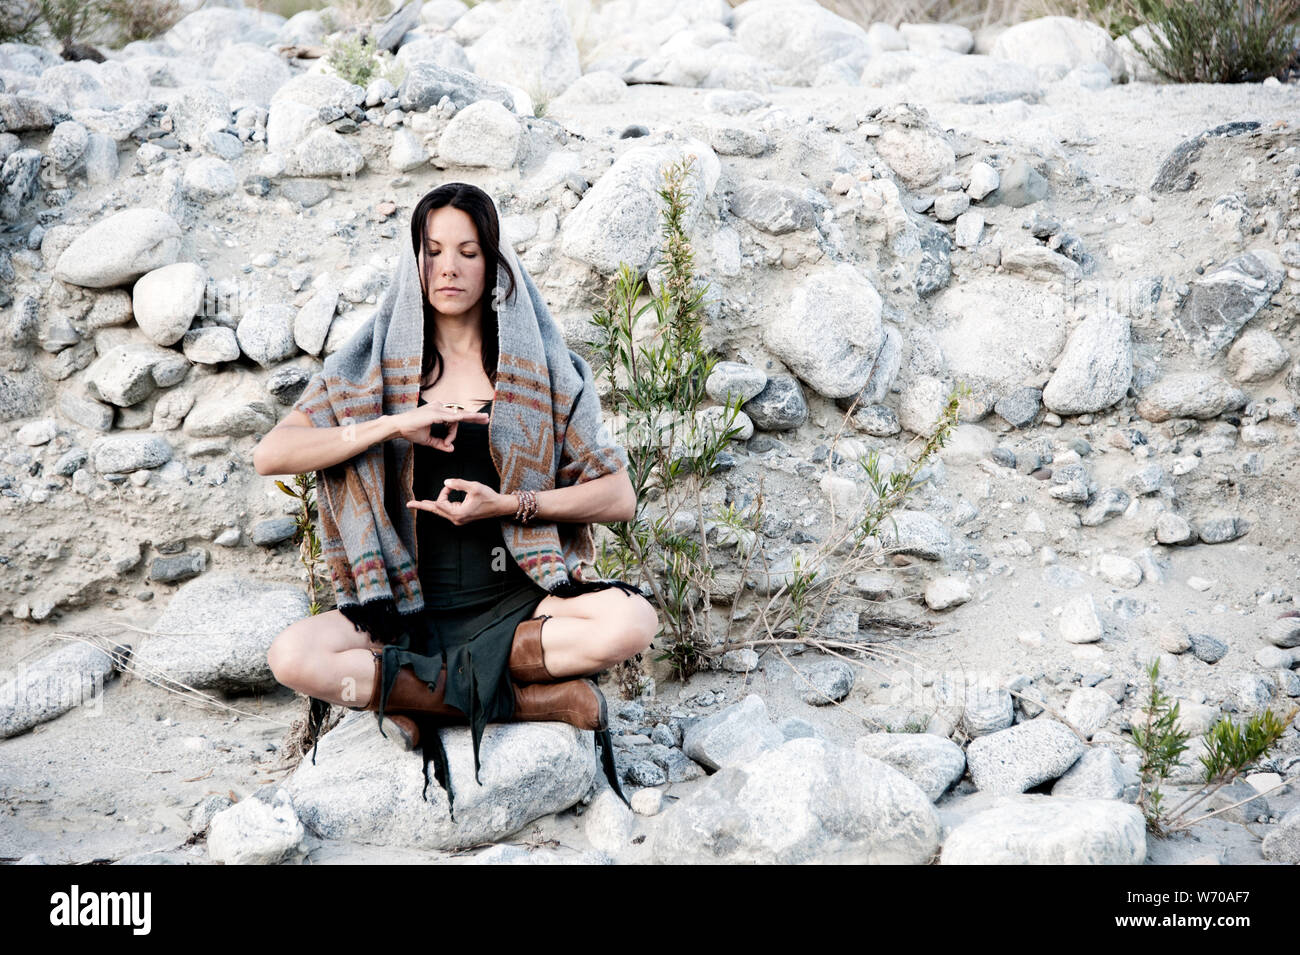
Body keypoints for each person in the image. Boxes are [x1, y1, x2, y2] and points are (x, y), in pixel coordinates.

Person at [253, 182, 659, 812]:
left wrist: (507, 506)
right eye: (433, 249)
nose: (448, 267)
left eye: (468, 252)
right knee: (292, 656)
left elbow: (618, 496)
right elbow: (271, 454)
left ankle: (419, 700)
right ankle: (524, 699)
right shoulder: (372, 372)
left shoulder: (544, 372)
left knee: (632, 621)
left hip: (519, 600)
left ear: (493, 264)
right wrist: (392, 424)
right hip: (408, 612)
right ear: (414, 260)